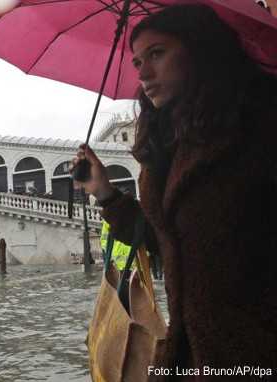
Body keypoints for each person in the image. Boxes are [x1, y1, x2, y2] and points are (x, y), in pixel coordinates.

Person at [72, 4, 277, 377]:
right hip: (190, 357)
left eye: (157, 54)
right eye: (136, 63)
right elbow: (168, 240)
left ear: (199, 50)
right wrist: (103, 192)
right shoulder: (164, 147)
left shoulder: (261, 127)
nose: (144, 74)